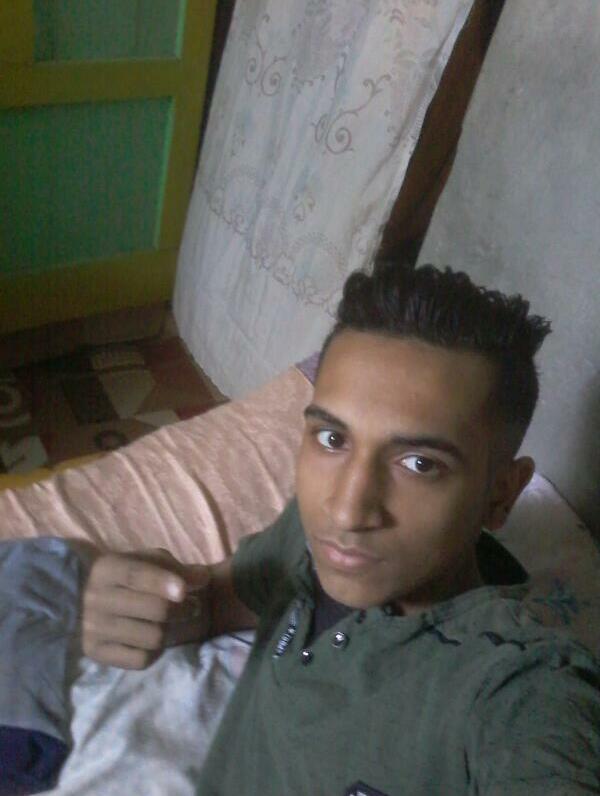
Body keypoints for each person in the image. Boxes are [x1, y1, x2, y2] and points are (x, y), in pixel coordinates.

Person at [81, 262, 600, 795]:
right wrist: (156, 607)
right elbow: (218, 597)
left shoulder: (517, 689)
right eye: (333, 440)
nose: (346, 512)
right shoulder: (304, 539)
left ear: (501, 495)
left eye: (420, 464)